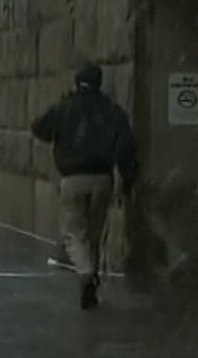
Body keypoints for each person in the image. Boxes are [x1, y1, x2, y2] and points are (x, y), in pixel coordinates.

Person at [31, 63, 139, 310]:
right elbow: (125, 146)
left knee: (74, 232)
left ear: (77, 82)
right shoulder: (112, 110)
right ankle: (93, 283)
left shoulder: (65, 107)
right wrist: (128, 179)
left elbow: (39, 128)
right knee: (94, 233)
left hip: (73, 178)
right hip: (103, 178)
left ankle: (86, 273)